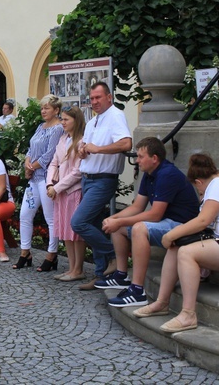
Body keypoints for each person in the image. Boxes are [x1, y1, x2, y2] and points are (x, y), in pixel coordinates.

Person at [134, 154, 219, 333]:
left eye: (200, 192)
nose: (200, 195)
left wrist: (170, 234)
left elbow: (203, 220)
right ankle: (161, 302)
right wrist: (175, 238)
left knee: (186, 252)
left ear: (198, 182)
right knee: (177, 246)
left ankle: (188, 314)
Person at [98, 137, 200, 306]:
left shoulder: (167, 174)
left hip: (183, 226)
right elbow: (138, 206)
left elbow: (155, 215)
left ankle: (137, 291)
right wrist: (114, 218)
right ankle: (122, 275)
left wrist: (120, 221)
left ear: (154, 158)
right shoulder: (149, 173)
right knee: (118, 226)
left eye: (140, 156)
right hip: (167, 222)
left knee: (138, 228)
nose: (137, 161)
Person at [71, 82, 132, 289]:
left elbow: (126, 144)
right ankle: (100, 276)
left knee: (79, 222)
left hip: (103, 179)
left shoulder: (115, 115)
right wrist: (82, 149)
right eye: (92, 98)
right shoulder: (93, 121)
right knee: (94, 226)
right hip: (88, 178)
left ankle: (114, 254)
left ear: (109, 97)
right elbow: (86, 145)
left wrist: (97, 149)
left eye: (98, 97)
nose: (94, 102)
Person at [13, 94, 63, 272]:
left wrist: (31, 167)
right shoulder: (40, 127)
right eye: (42, 108)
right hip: (33, 177)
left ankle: (52, 254)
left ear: (56, 110)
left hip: (46, 177)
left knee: (50, 218)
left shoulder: (57, 128)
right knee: (25, 214)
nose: (43, 111)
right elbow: (30, 147)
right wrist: (27, 162)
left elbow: (50, 154)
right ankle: (25, 252)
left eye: (47, 108)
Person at [46, 106, 87, 281]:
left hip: (73, 190)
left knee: (75, 232)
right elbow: (53, 163)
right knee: (65, 230)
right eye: (61, 119)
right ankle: (71, 267)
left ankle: (78, 269)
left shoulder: (81, 141)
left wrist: (58, 187)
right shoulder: (63, 139)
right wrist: (49, 183)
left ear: (76, 121)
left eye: (66, 119)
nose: (62, 122)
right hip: (60, 191)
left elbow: (78, 172)